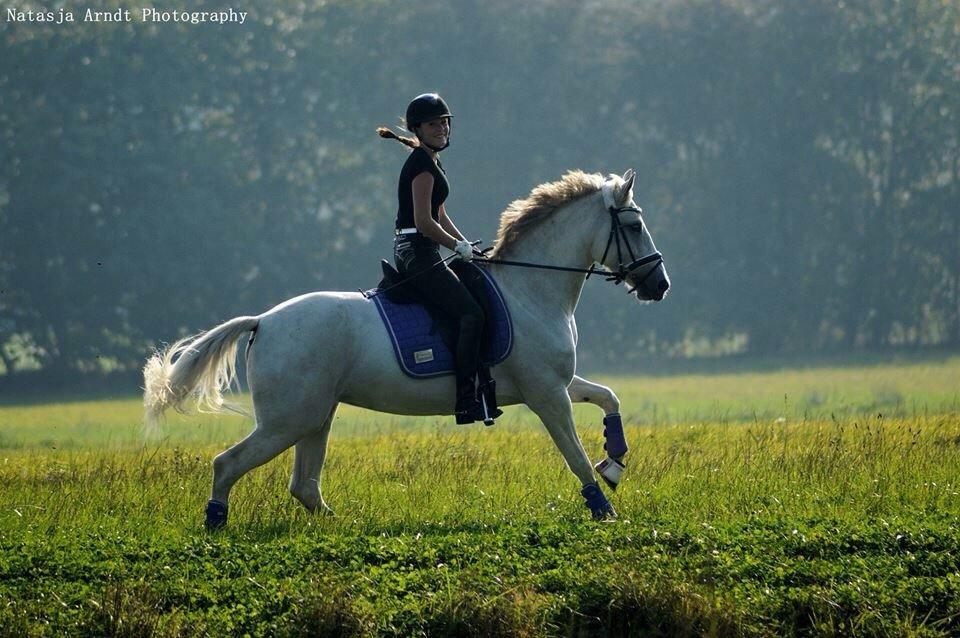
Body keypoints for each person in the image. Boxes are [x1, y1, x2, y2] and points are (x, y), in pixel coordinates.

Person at [377, 93, 488, 424]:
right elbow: (424, 221)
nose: (441, 128)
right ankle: (467, 399)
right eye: (432, 124)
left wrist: (465, 243)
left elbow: (440, 212)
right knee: (471, 315)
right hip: (416, 250)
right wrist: (456, 247)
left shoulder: (430, 160)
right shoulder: (421, 166)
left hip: (423, 246)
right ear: (418, 129)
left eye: (444, 122)